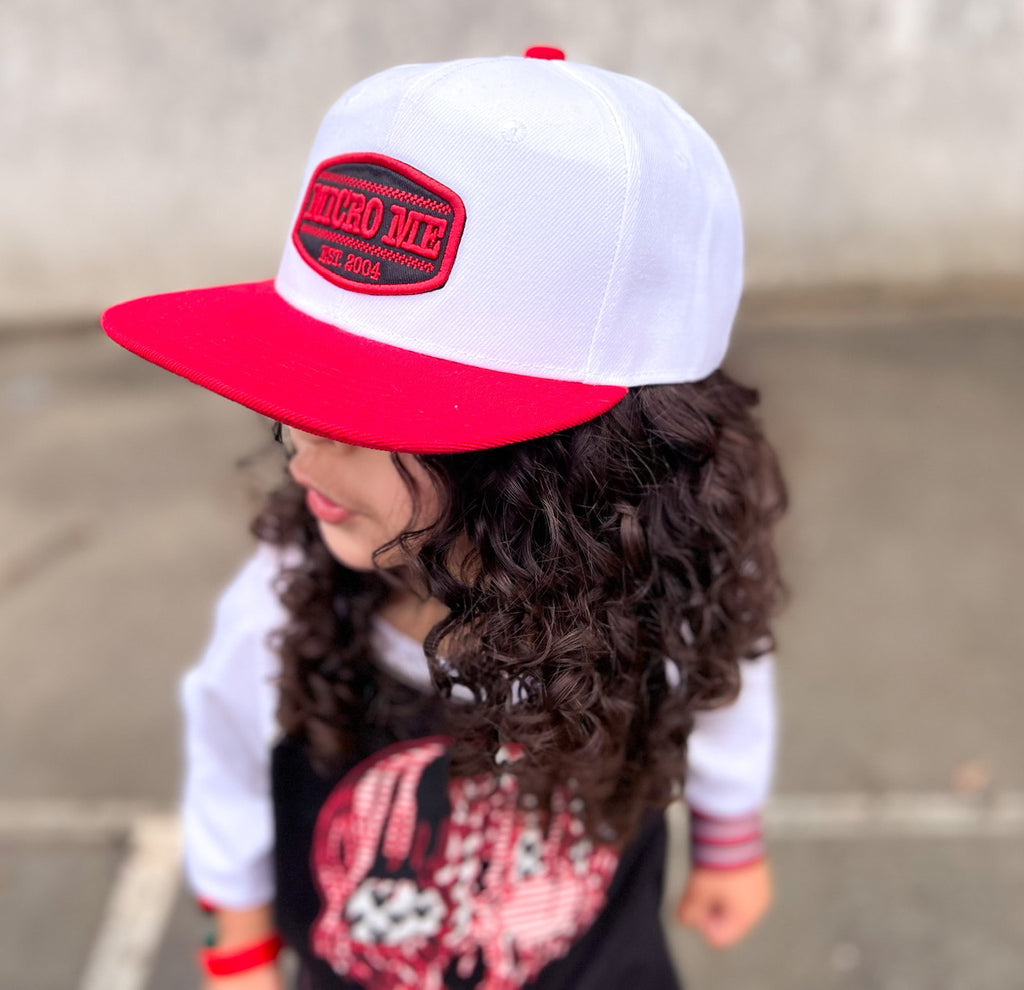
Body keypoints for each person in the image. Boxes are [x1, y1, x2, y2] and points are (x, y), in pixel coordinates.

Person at [102, 47, 787, 990]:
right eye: (294, 396)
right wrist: (241, 943)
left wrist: (730, 838)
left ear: (571, 464)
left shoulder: (658, 596)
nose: (301, 454)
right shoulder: (287, 597)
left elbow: (725, 688)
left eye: (369, 417)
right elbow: (229, 760)